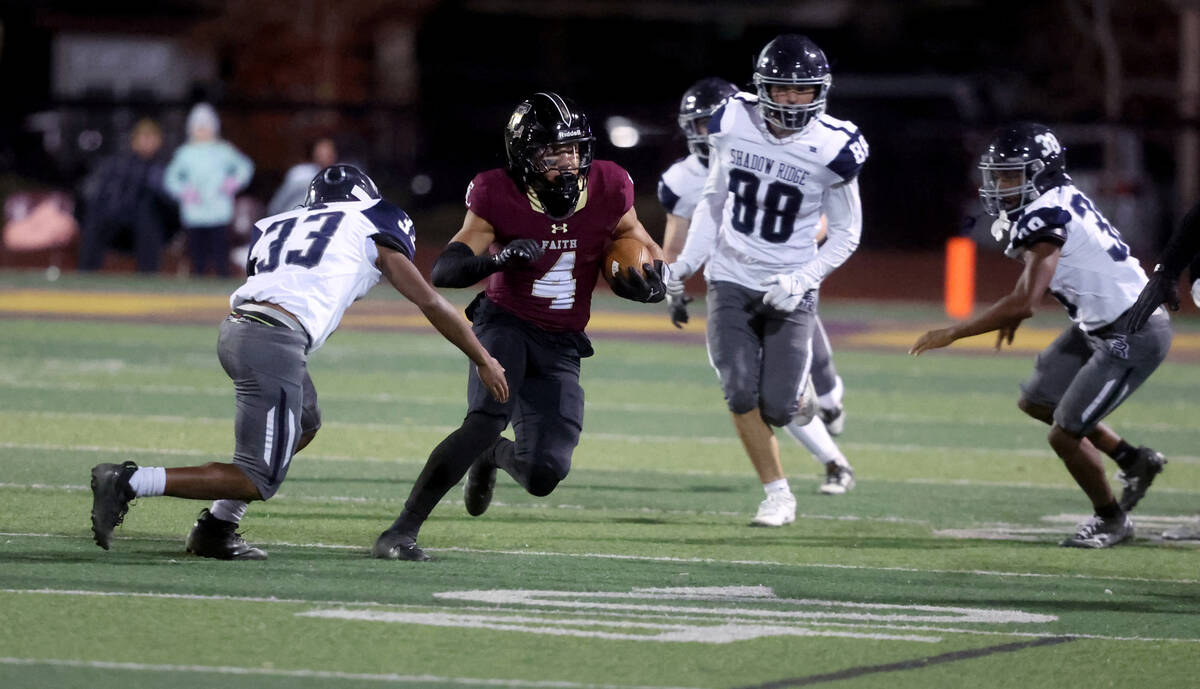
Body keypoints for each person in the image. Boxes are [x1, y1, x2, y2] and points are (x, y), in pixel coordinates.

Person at [89, 165, 508, 559]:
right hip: (273, 340)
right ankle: (129, 481)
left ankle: (216, 528)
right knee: (257, 478)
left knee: (305, 423)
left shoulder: (279, 224)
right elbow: (430, 301)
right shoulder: (370, 221)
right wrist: (483, 358)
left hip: (240, 328)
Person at [373, 92, 667, 561]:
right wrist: (500, 259)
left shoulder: (610, 185)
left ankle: (492, 456)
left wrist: (653, 278)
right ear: (524, 157)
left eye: (572, 150)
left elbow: (636, 237)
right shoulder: (497, 192)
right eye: (552, 152)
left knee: (543, 474)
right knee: (484, 421)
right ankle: (401, 530)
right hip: (504, 324)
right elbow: (445, 272)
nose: (567, 163)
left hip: (563, 342)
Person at [910, 123, 1171, 549]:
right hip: (1099, 322)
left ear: (1042, 172)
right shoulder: (1056, 198)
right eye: (998, 175)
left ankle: (1111, 519)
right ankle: (1133, 459)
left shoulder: (1044, 214)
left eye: (1012, 176)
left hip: (1131, 332)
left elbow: (1025, 302)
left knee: (1064, 435)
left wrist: (954, 332)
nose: (1000, 185)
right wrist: (1013, 309)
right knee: (1038, 400)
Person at [666, 34, 868, 527]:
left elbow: (847, 233)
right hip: (730, 278)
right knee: (738, 391)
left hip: (790, 289)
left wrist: (802, 277)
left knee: (778, 406)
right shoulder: (733, 118)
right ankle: (777, 494)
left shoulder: (834, 144)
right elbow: (714, 200)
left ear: (821, 91)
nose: (793, 100)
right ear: (762, 88)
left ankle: (811, 405)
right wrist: (685, 267)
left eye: (803, 91)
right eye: (781, 90)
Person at [164, 102, 255, 277]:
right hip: (194, 212)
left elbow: (245, 167)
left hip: (219, 210)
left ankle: (221, 280)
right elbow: (170, 178)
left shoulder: (223, 150)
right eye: (199, 127)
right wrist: (183, 191)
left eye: (206, 127)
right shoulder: (185, 153)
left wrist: (233, 183)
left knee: (220, 251)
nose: (203, 131)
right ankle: (198, 281)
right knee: (197, 253)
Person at [77, 118, 173, 273]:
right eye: (143, 137)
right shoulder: (118, 161)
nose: (147, 142)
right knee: (95, 215)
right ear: (134, 141)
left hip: (146, 223)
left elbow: (169, 199)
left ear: (159, 141)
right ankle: (85, 274)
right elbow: (99, 190)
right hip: (115, 218)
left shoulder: (164, 165)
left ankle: (149, 276)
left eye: (152, 137)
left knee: (147, 212)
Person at [267, 137, 338, 216]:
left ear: (334, 153)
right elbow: (280, 201)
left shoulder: (341, 175)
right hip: (292, 216)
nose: (325, 156)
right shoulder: (300, 173)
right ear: (314, 153)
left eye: (328, 152)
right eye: (321, 152)